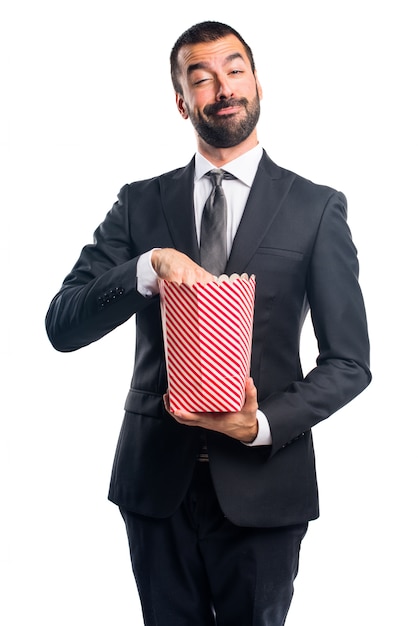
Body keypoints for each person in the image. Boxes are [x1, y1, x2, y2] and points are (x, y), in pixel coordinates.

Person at [45, 20, 371, 626]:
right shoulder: (138, 204)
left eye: (235, 70)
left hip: (266, 488)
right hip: (155, 487)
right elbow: (62, 324)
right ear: (181, 101)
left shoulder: (315, 208)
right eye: (202, 79)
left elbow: (350, 363)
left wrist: (263, 424)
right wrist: (146, 266)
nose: (223, 88)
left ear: (258, 84)